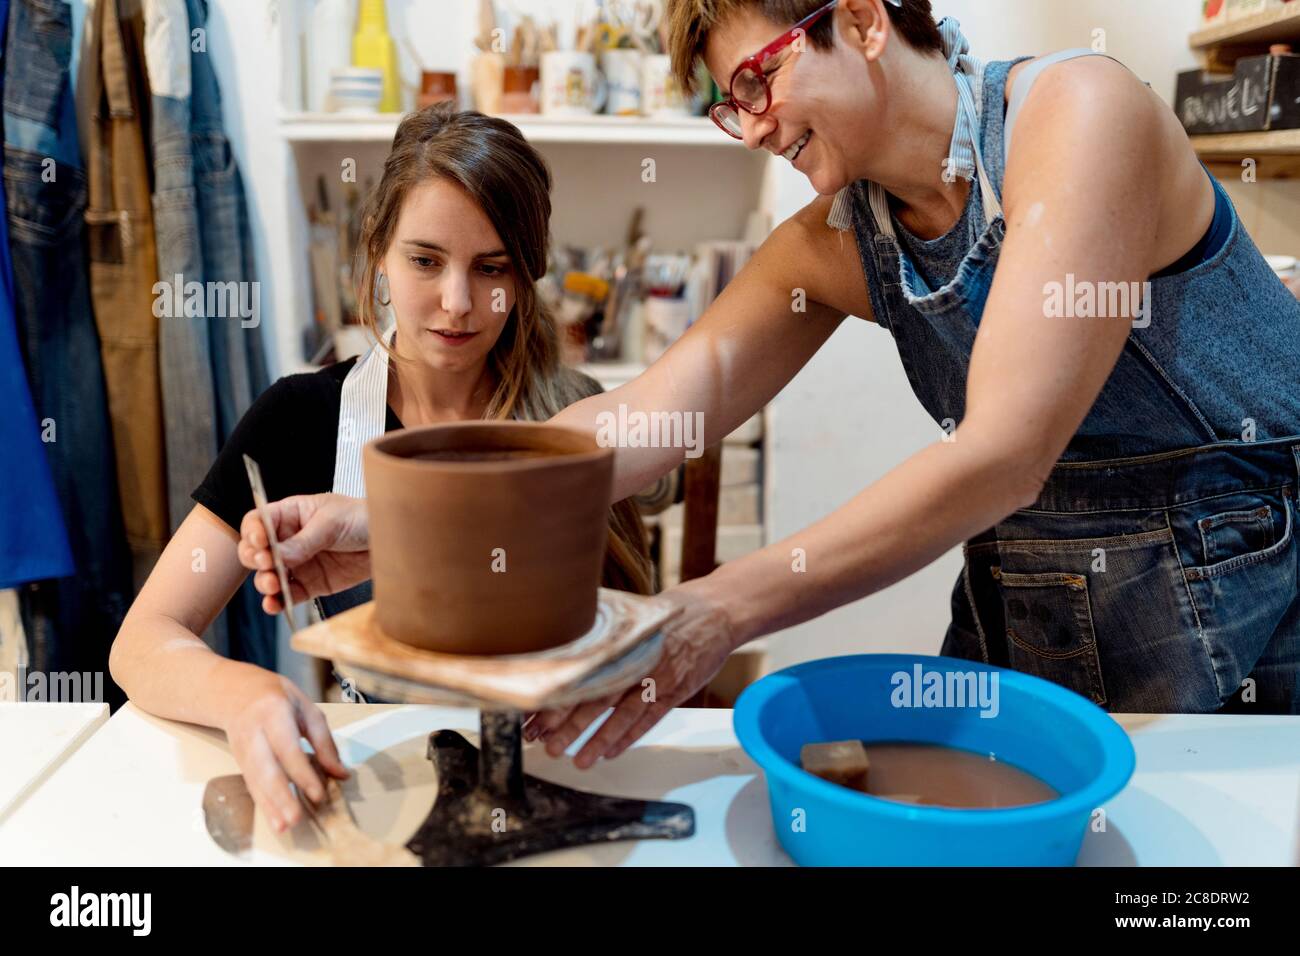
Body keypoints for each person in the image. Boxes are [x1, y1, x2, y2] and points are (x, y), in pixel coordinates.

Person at [240, 0, 1300, 770]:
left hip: (1243, 589)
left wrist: (713, 609)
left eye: (758, 79)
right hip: (1031, 592)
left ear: (868, 20)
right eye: (723, 105)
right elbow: (633, 419)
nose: (748, 125)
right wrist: (388, 513)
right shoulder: (837, 243)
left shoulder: (1079, 113)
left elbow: (1001, 453)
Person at [110, 104, 654, 831]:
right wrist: (240, 695)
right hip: (382, 787)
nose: (457, 304)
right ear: (377, 253)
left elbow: (635, 639)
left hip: (557, 778)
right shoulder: (300, 420)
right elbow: (142, 640)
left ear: (526, 276)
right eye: (425, 261)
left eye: (491, 268)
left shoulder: (577, 419)